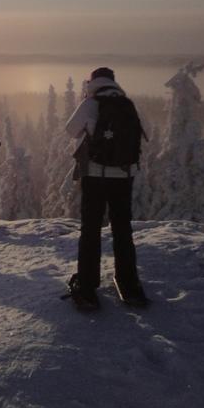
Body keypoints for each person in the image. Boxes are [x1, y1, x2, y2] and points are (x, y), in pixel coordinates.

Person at [64, 67, 148, 310]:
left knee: (90, 229)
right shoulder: (128, 104)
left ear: (92, 83)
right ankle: (129, 286)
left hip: (95, 176)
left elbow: (71, 131)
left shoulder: (91, 104)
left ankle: (87, 289)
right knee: (122, 228)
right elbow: (146, 134)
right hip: (124, 176)